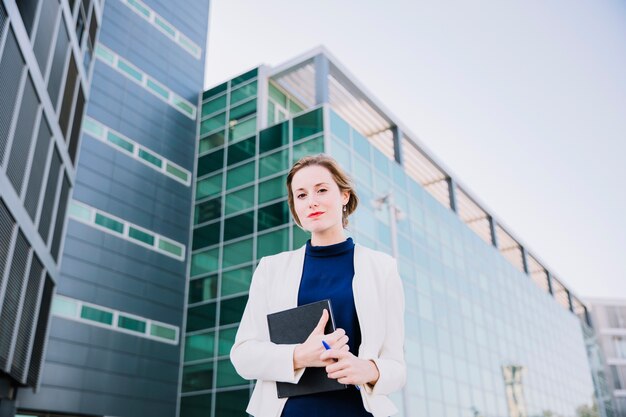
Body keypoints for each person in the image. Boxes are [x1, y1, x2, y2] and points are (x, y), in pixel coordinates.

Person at [230, 154, 406, 417]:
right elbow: (243, 355)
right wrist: (300, 355)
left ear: (344, 196)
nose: (311, 201)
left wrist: (369, 369)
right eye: (300, 195)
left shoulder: (382, 268)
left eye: (321, 190)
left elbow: (397, 366)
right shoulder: (271, 269)